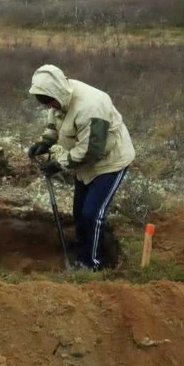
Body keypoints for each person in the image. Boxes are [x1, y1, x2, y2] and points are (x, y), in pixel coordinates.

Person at [27, 65, 135, 270]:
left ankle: (90, 263)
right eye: (45, 102)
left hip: (109, 164)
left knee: (92, 215)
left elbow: (90, 151)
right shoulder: (59, 99)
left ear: (56, 93)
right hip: (84, 164)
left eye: (49, 101)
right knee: (79, 212)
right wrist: (45, 142)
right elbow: (54, 124)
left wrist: (59, 164)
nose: (48, 106)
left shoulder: (91, 107)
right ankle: (83, 246)